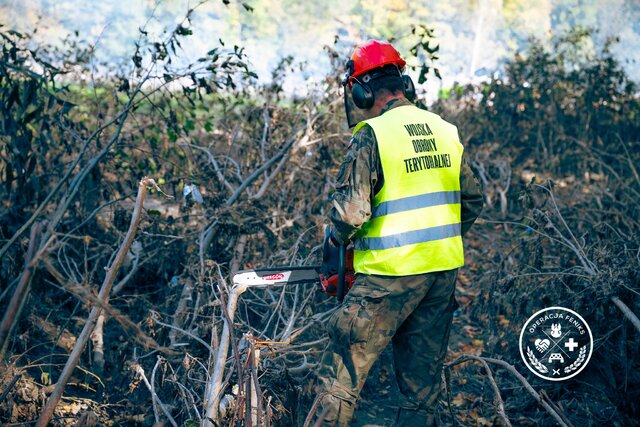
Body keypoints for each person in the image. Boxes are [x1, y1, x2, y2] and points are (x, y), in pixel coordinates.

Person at [314, 40, 484, 426]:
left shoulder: (373, 134)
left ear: (360, 91)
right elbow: (472, 199)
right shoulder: (443, 129)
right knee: (421, 391)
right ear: (403, 85)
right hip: (440, 275)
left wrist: (334, 246)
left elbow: (350, 214)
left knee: (341, 375)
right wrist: (434, 240)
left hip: (388, 276)